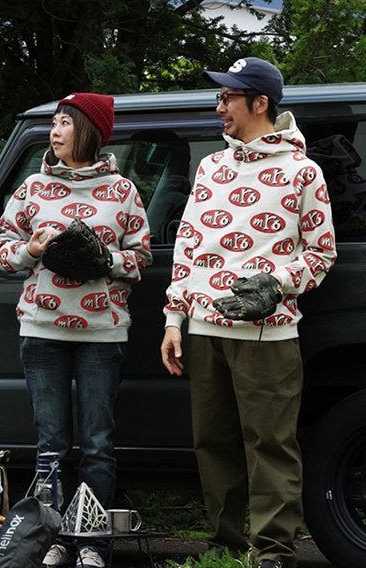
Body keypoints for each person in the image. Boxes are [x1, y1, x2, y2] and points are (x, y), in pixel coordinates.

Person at [160, 57, 337, 568]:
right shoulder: (211, 167)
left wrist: (277, 284)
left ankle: (273, 553)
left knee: (271, 444)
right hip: (203, 329)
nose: (219, 107)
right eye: (219, 97)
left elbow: (322, 252)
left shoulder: (304, 171)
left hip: (268, 335)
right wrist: (174, 320)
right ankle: (226, 547)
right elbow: (187, 246)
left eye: (228, 98)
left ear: (260, 103)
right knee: (212, 442)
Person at [0, 92, 152, 568]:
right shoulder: (33, 187)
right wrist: (32, 251)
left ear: (89, 131)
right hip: (41, 328)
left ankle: (93, 545)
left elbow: (141, 256)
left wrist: (106, 260)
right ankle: (54, 540)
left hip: (102, 332)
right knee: (51, 447)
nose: (55, 131)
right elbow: (5, 250)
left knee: (98, 446)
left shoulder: (122, 191)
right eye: (54, 123)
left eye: (65, 123)